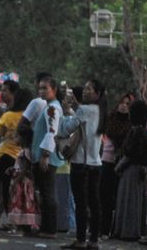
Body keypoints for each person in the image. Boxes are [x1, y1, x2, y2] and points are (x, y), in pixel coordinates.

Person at [60, 79, 106, 249]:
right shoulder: (100, 110)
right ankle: (94, 239)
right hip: (96, 162)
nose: (85, 91)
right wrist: (73, 110)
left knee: (81, 203)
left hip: (81, 163)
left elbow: (67, 129)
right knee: (95, 203)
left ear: (97, 93)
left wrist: (66, 114)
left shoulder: (84, 109)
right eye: (85, 88)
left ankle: (80, 239)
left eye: (89, 89)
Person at [0, 84, 33, 229]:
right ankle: (7, 218)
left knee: (5, 189)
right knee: (19, 189)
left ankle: (10, 220)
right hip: (25, 158)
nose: (2, 93)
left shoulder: (8, 116)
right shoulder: (31, 118)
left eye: (5, 90)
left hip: (6, 156)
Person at [112, 100, 147, 240]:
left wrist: (119, 167)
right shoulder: (143, 132)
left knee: (128, 201)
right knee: (135, 202)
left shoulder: (136, 131)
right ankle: (134, 231)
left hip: (130, 170)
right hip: (138, 171)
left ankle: (127, 232)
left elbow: (130, 153)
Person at [30, 75, 64, 239]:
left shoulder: (52, 109)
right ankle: (45, 227)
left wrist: (45, 155)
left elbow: (52, 132)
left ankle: (49, 229)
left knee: (48, 193)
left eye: (45, 88)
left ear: (54, 90)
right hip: (44, 156)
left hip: (47, 158)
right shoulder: (49, 106)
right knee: (44, 193)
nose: (41, 91)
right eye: (40, 88)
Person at [98, 92, 133, 238]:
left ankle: (115, 230)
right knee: (104, 197)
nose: (124, 106)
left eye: (127, 104)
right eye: (122, 102)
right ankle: (104, 229)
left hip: (121, 165)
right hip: (106, 161)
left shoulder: (132, 124)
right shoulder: (110, 119)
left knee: (117, 199)